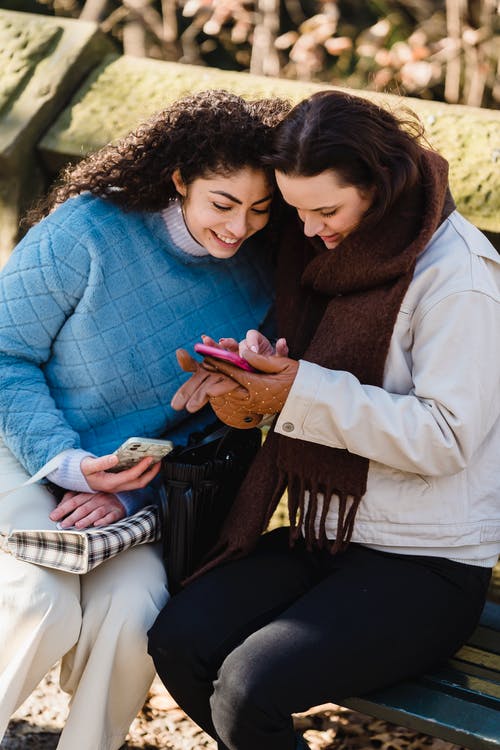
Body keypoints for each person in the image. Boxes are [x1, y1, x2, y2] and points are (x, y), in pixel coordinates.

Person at [148, 89, 500, 750]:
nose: (309, 231)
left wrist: (300, 392)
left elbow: (446, 439)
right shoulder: (344, 256)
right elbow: (319, 379)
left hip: (428, 562)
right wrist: (263, 377)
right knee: (180, 640)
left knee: (250, 689)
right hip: (328, 532)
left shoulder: (460, 279)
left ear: (380, 183)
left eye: (326, 210)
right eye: (298, 211)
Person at [0, 89, 288, 750]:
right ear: (180, 177)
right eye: (223, 203)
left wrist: (242, 395)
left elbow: (216, 439)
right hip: (22, 450)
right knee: (37, 605)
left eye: (260, 210)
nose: (239, 227)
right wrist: (71, 465)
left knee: (134, 616)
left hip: (133, 494)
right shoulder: (88, 229)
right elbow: (4, 354)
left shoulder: (264, 275)